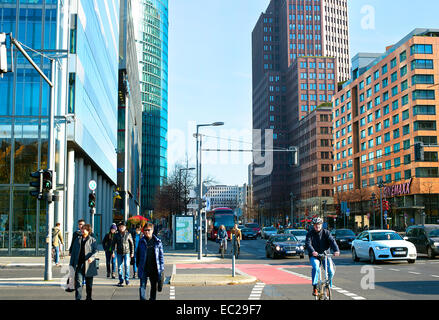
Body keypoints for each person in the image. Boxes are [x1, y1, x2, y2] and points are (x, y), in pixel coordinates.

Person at [305, 217, 340, 297]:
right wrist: (312, 251)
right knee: (316, 268)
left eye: (319, 224)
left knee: (331, 271)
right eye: (315, 225)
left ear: (321, 225)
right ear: (313, 226)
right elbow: (308, 244)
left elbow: (332, 241)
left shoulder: (326, 233)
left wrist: (336, 250)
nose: (317, 226)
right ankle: (315, 286)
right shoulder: (310, 234)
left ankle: (328, 285)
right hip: (315, 256)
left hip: (325, 255)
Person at [136, 223, 164, 300]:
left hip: (154, 268)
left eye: (149, 230)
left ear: (152, 230)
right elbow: (137, 254)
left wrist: (161, 268)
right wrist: (138, 265)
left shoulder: (158, 242)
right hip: (144, 267)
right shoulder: (141, 241)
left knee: (153, 286)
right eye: (145, 230)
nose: (147, 232)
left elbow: (161, 257)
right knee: (142, 286)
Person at [69, 224, 98, 301]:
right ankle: (78, 298)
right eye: (82, 229)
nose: (82, 230)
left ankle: (89, 298)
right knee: (79, 283)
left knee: (89, 284)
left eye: (84, 229)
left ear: (88, 231)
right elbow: (73, 253)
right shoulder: (77, 239)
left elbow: (95, 251)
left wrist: (92, 258)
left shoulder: (93, 240)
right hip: (79, 265)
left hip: (89, 265)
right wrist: (71, 265)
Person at [112, 221, 134, 286]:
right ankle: (121, 279)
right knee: (119, 267)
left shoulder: (128, 234)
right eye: (120, 227)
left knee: (127, 266)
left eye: (123, 227)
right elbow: (113, 244)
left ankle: (127, 279)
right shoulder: (116, 235)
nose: (121, 228)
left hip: (127, 252)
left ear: (125, 227)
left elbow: (132, 244)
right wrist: (112, 252)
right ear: (118, 228)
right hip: (119, 252)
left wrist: (132, 252)